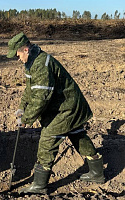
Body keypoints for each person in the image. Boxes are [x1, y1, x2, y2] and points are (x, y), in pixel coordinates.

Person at [7, 32, 105, 195]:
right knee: (77, 134)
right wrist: (21, 107)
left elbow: (41, 97)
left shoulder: (41, 65)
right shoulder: (32, 62)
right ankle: (97, 173)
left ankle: (39, 186)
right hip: (67, 105)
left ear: (25, 49)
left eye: (17, 55)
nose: (17, 59)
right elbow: (30, 89)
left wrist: (27, 118)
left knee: (47, 141)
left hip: (65, 108)